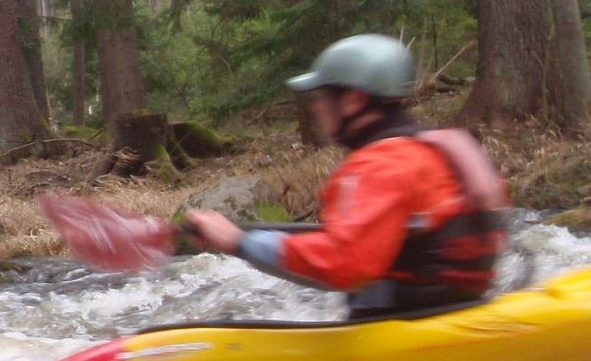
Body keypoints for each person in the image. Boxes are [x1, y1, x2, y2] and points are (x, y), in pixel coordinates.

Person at [185, 33, 508, 318]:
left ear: (353, 100)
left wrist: (240, 242)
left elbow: (345, 262)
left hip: (405, 326)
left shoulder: (380, 165)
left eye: (323, 97)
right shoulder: (429, 148)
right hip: (450, 308)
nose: (316, 107)